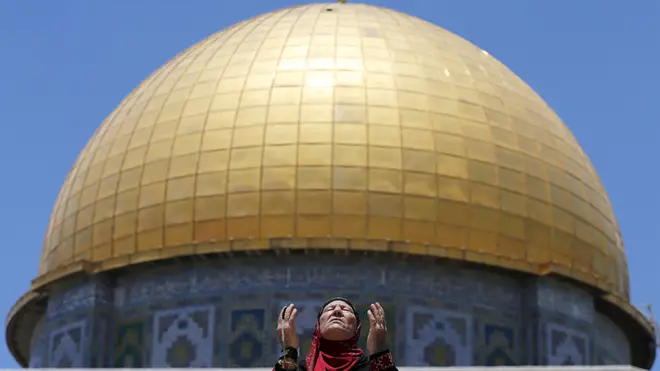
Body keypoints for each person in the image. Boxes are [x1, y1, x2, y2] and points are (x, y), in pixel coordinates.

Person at [273, 297, 397, 371]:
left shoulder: (371, 368)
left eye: (345, 310)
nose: (337, 311)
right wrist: (289, 351)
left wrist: (379, 352)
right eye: (329, 309)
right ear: (318, 326)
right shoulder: (302, 368)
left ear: (357, 328)